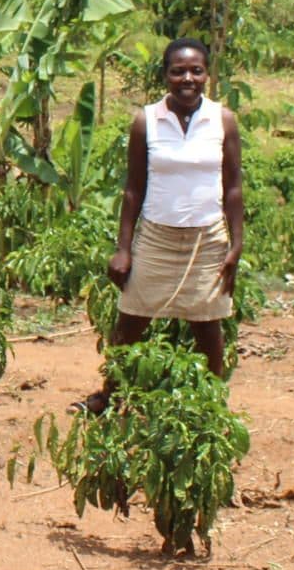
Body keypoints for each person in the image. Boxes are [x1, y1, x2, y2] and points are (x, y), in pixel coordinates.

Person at [74, 38, 244, 413]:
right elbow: (133, 190)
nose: (188, 78)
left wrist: (235, 245)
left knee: (207, 327)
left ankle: (211, 407)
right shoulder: (147, 121)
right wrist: (124, 248)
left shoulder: (222, 120)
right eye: (178, 70)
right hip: (156, 238)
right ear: (165, 75)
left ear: (207, 75)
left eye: (196, 70)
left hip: (207, 240)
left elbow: (232, 187)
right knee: (130, 322)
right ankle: (110, 394)